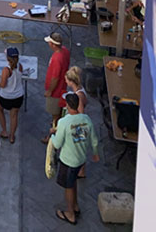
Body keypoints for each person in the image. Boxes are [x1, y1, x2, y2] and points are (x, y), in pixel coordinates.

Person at [50, 92, 99, 226]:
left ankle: (70, 213)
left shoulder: (64, 122)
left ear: (67, 105)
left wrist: (52, 136)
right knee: (74, 182)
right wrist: (95, 153)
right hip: (81, 158)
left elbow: (57, 144)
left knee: (68, 186)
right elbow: (94, 139)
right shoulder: (86, 119)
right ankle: (76, 205)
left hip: (68, 160)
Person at [43, 33, 70, 143]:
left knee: (55, 115)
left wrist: (49, 91)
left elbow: (55, 78)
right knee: (57, 112)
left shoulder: (57, 58)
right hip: (62, 88)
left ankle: (52, 137)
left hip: (55, 92)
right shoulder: (65, 51)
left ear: (53, 44)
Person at [0, 47, 24, 144]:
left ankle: (4, 131)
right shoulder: (20, 66)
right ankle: (12, 136)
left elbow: (3, 85)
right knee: (14, 116)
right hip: (18, 96)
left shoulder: (6, 70)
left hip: (6, 96)